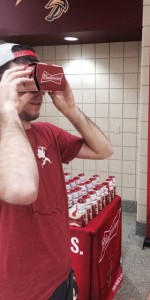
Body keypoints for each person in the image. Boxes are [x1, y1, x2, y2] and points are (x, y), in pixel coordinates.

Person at [0, 43, 113, 300]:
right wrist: (6, 111)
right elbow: (23, 189)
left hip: (60, 274)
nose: (37, 93)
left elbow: (103, 150)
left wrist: (70, 109)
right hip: (17, 291)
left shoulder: (47, 133)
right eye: (24, 83)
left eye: (38, 83)